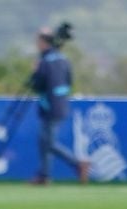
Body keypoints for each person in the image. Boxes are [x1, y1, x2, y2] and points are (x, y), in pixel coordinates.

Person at [28, 26, 88, 185]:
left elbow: (37, 84)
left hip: (49, 106)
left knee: (49, 143)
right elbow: (69, 81)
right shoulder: (62, 59)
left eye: (38, 41)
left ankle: (77, 164)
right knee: (44, 141)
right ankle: (44, 175)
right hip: (61, 104)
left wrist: (34, 72)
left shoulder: (45, 61)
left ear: (43, 42)